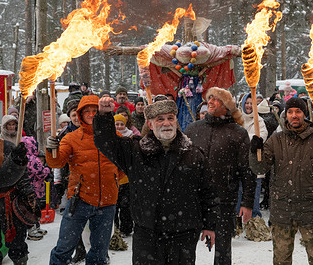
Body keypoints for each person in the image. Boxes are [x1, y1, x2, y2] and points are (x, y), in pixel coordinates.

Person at [93, 98, 218, 264]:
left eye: (170, 118)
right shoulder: (135, 151)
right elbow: (106, 142)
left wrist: (210, 224)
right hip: (147, 233)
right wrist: (103, 114)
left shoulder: (193, 153)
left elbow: (208, 191)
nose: (166, 123)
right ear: (150, 124)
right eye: (160, 119)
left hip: (184, 233)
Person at [250, 97, 313, 265]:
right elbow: (260, 169)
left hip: (311, 209)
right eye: (290, 112)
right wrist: (254, 152)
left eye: (298, 111)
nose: (294, 115)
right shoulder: (276, 140)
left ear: (304, 114)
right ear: (286, 115)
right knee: (281, 260)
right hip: (282, 210)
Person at [45, 95, 124, 265]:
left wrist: (114, 179)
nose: (91, 114)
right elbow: (57, 162)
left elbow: (125, 164)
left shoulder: (114, 136)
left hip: (107, 202)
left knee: (99, 252)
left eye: (95, 110)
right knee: (64, 248)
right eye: (86, 111)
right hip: (79, 200)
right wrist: (51, 149)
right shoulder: (71, 138)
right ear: (80, 114)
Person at [184, 87, 256, 265]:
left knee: (223, 250)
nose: (211, 101)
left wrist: (247, 203)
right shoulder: (193, 129)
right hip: (194, 199)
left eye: (216, 99)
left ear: (227, 106)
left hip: (224, 199)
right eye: (210, 98)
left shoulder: (237, 132)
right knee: (185, 248)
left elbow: (247, 170)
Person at [0, 137, 37, 265]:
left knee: (17, 244)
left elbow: (19, 176)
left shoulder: (4, 146)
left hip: (9, 205)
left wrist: (29, 193)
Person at [22, 136, 51, 241]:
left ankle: (36, 227)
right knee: (33, 209)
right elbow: (41, 173)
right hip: (35, 188)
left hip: (26, 189)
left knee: (30, 209)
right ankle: (32, 230)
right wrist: (48, 170)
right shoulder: (33, 159)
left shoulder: (22, 158)